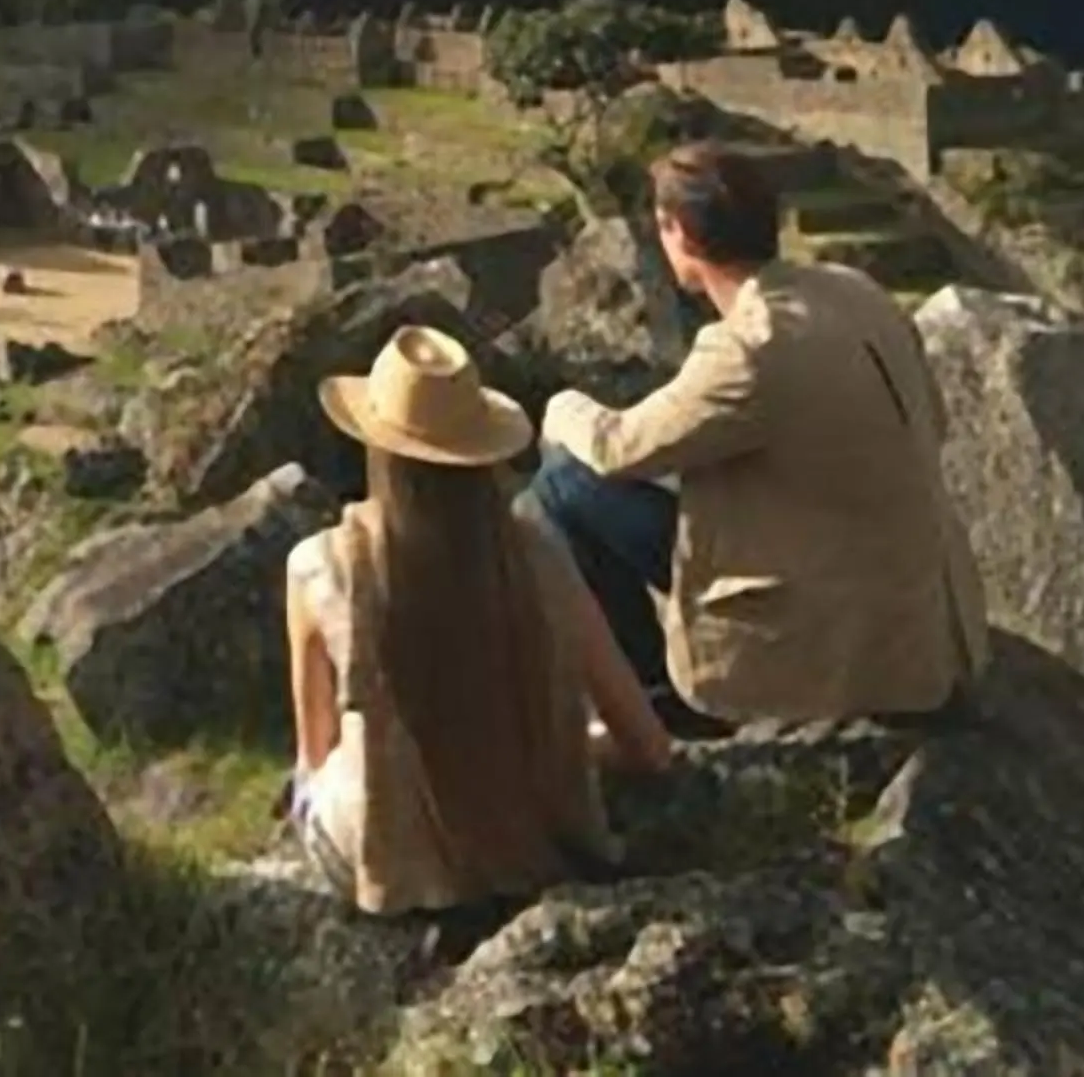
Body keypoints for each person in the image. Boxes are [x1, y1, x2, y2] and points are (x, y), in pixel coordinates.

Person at [529, 143, 988, 731]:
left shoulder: (749, 347)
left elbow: (619, 448)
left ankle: (657, 709)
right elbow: (935, 417)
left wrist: (559, 407)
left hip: (844, 633)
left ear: (683, 237)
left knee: (565, 485)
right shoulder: (854, 289)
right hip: (920, 614)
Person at [285, 326, 672, 916]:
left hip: (394, 864)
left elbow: (318, 754)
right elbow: (646, 747)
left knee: (309, 777)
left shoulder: (319, 567)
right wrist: (567, 747)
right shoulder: (540, 554)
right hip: (537, 840)